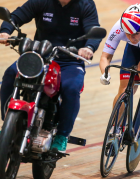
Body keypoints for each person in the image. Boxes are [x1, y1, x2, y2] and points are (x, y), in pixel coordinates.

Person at [0, 0, 102, 153]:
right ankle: (7, 124)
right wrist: (6, 31)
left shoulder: (86, 4)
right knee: (10, 74)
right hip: (39, 57)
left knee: (71, 89)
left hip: (69, 61)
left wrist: (88, 47)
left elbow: (93, 29)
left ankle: (62, 135)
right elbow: (17, 16)